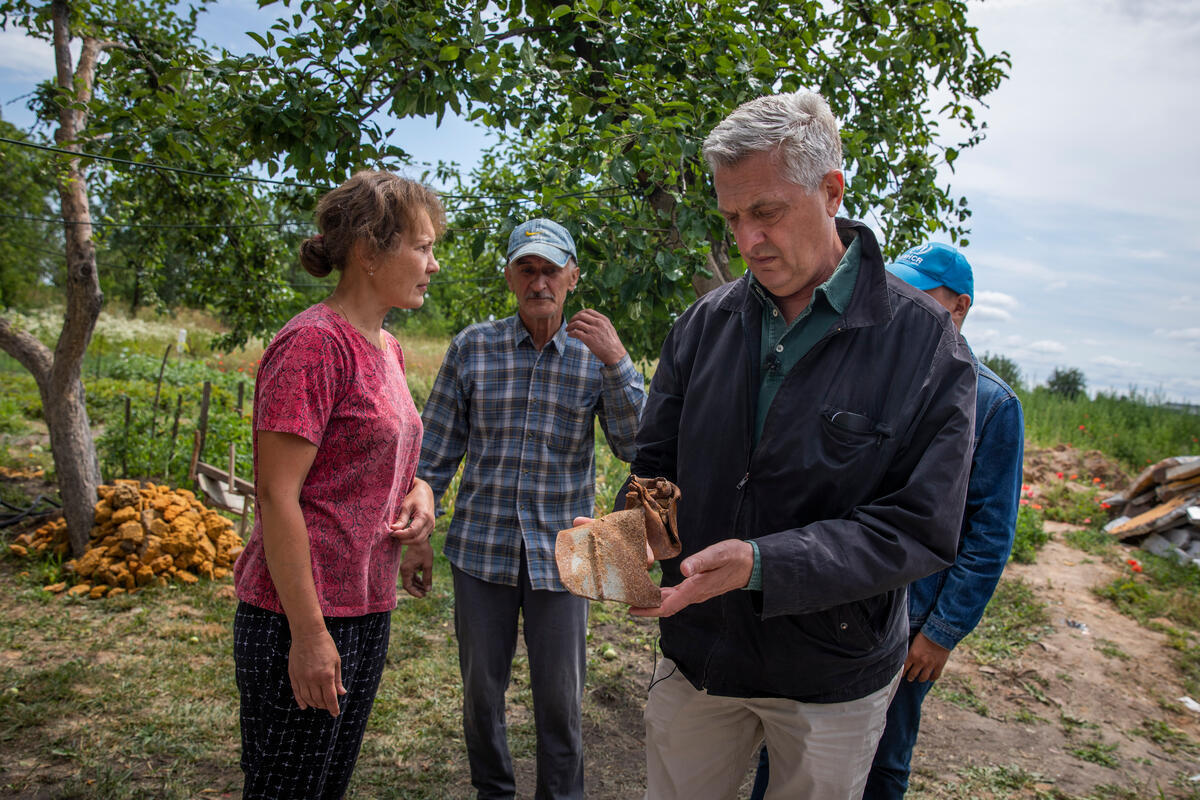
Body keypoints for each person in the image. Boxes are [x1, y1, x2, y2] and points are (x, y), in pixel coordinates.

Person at [627, 91, 977, 800]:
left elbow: (919, 528)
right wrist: (631, 530)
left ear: (831, 189)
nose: (745, 241)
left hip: (832, 675)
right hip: (701, 656)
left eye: (766, 212)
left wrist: (761, 564)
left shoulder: (925, 345)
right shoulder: (704, 324)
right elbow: (656, 466)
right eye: (730, 218)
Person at [418, 218, 646, 799]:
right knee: (480, 695)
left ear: (573, 276)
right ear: (510, 277)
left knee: (560, 702)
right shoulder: (474, 346)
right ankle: (493, 791)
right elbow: (436, 450)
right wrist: (417, 529)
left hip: (566, 558)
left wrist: (619, 362)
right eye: (528, 269)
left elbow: (639, 446)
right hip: (480, 549)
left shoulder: (596, 354)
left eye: (551, 270)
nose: (539, 281)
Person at [232, 170, 442, 799]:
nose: (434, 263)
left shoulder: (388, 347)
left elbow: (382, 458)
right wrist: (310, 634)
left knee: (325, 785)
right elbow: (277, 496)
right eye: (423, 246)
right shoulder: (313, 347)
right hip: (301, 613)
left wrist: (420, 495)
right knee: (285, 789)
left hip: (367, 605)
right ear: (369, 251)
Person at [860, 243, 1024, 799]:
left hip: (913, 618)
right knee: (800, 735)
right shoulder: (881, 376)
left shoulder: (992, 404)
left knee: (885, 752)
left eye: (919, 294)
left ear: (959, 307)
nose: (901, 302)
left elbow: (988, 536)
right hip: (850, 597)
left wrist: (941, 633)